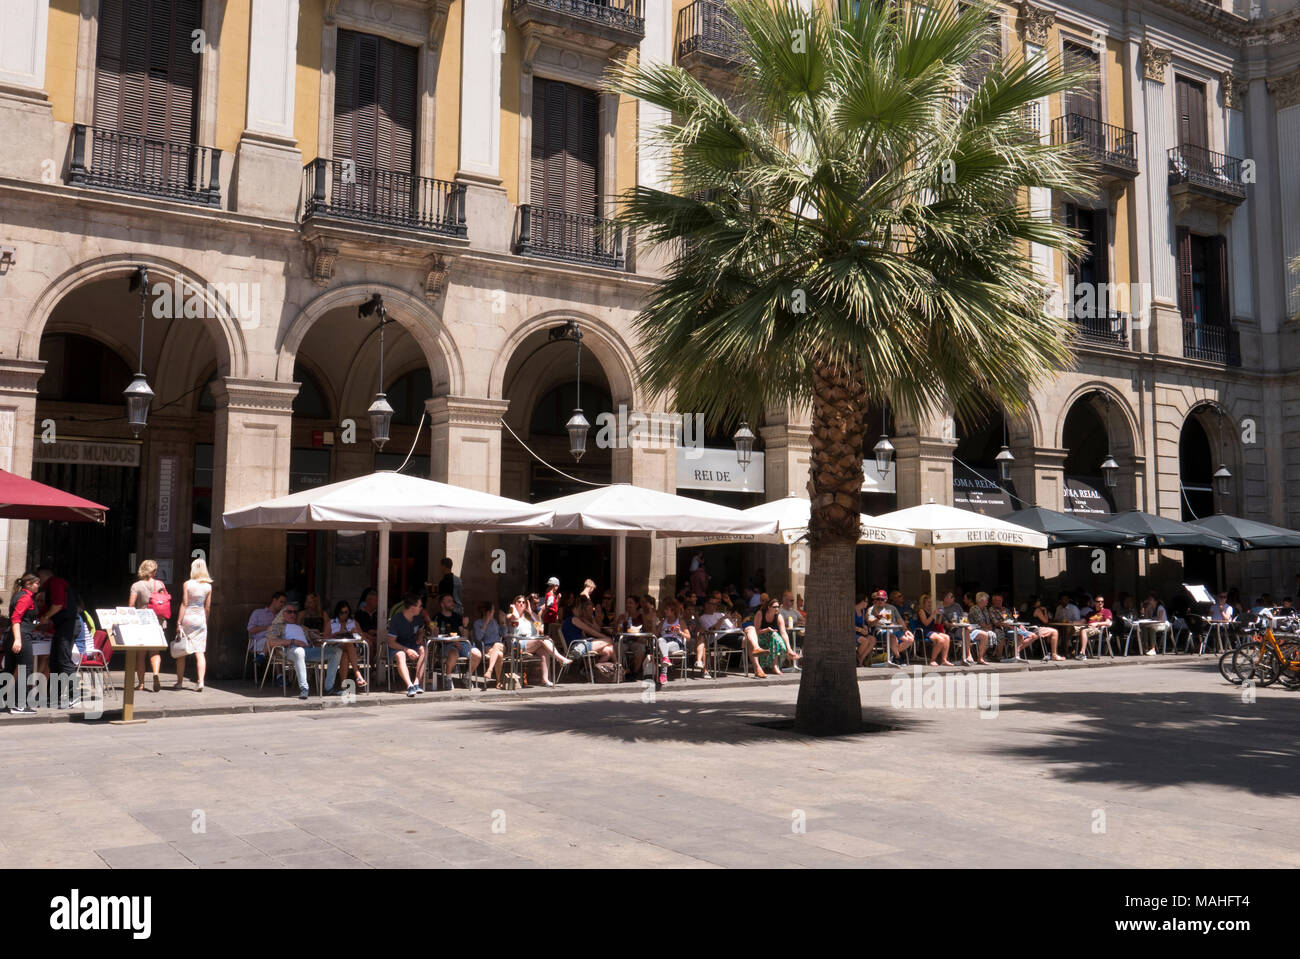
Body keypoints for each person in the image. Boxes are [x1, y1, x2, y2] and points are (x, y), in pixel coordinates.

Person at [270, 598, 343, 699]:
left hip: (308, 651)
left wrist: (334, 637)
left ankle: (329, 688)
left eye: (295, 612)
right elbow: (272, 642)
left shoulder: (301, 627)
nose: (293, 614)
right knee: (299, 651)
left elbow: (319, 638)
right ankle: (304, 688)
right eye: (289, 612)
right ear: (283, 613)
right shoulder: (277, 626)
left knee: (336, 652)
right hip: (289, 651)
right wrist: (293, 641)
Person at [503, 594, 570, 687]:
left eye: (523, 602)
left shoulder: (530, 617)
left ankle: (545, 680)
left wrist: (530, 612)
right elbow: (515, 619)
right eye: (519, 602)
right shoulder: (510, 615)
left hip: (532, 642)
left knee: (544, 652)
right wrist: (513, 608)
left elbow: (540, 628)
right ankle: (560, 658)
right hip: (518, 644)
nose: (522, 604)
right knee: (541, 640)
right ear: (515, 604)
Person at [36, 566, 80, 702]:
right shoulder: (49, 588)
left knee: (63, 660)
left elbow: (58, 604)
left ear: (42, 576)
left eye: (38, 579)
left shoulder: (55, 582)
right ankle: (53, 695)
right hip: (62, 626)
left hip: (68, 625)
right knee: (55, 661)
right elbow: (46, 608)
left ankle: (74, 694)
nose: (37, 583)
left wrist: (46, 617)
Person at [172, 558, 214, 691]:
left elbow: (184, 603)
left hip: (188, 617)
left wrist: (179, 622)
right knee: (200, 651)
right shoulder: (208, 586)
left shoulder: (187, 584)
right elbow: (207, 607)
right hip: (200, 618)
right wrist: (205, 620)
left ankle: (179, 682)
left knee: (182, 651)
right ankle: (200, 681)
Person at [128, 559, 167, 692]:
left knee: (141, 654)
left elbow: (131, 605)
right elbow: (165, 601)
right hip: (157, 621)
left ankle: (141, 684)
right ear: (154, 571)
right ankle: (155, 674)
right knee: (155, 652)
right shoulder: (160, 584)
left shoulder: (136, 586)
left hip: (142, 621)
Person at [4, 574, 40, 713]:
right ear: (29, 584)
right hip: (21, 636)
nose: (39, 586)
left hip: (12, 635)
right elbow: (16, 618)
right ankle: (19, 704)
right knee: (25, 669)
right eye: (37, 583)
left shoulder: (18, 595)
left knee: (9, 669)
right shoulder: (25, 597)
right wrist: (18, 639)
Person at [386, 591, 428, 697]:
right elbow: (391, 642)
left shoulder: (418, 618)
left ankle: (417, 683)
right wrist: (406, 650)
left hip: (411, 644)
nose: (421, 608)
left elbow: (421, 630)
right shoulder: (396, 619)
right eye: (420, 606)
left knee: (423, 649)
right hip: (397, 646)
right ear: (412, 607)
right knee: (401, 655)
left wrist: (420, 637)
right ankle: (409, 685)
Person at [432, 592, 476, 686]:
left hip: (461, 644)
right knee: (453, 653)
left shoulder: (457, 616)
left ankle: (467, 677)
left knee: (477, 654)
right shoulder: (437, 617)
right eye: (449, 601)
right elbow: (435, 636)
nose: (452, 603)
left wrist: (465, 625)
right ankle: (448, 677)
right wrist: (453, 641)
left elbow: (465, 635)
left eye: (452, 601)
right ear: (442, 604)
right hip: (445, 645)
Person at [656, 599, 704, 681]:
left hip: (675, 643)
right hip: (664, 641)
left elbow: (688, 637)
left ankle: (663, 674)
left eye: (667, 609)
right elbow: (656, 634)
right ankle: (665, 662)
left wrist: (680, 632)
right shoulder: (663, 621)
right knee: (660, 640)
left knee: (663, 647)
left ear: (673, 611)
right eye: (665, 609)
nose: (665, 611)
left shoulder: (680, 622)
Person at [865, 589, 915, 666]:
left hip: (895, 629)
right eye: (878, 599)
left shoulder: (892, 608)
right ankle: (898, 658)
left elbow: (900, 620)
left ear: (886, 599)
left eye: (882, 599)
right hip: (881, 631)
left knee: (910, 639)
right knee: (892, 637)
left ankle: (891, 656)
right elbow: (870, 624)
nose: (880, 601)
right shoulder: (871, 609)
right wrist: (878, 618)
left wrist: (905, 630)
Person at [326, 599, 367, 689]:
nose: (344, 615)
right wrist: (335, 634)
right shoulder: (331, 623)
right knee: (347, 645)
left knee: (345, 654)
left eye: (346, 612)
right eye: (342, 612)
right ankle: (357, 673)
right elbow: (324, 638)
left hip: (351, 649)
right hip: (335, 647)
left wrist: (356, 632)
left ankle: (343, 686)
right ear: (337, 612)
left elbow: (363, 637)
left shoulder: (353, 622)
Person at [746, 597, 792, 675]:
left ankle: (775, 665)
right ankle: (774, 666)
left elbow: (783, 632)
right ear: (769, 607)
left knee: (775, 637)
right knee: (774, 636)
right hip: (759, 637)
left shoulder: (778, 616)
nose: (777, 609)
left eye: (778, 607)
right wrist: (767, 630)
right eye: (774, 607)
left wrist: (789, 648)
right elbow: (756, 631)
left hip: (772, 637)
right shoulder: (760, 613)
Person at [562, 598, 615, 666]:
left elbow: (590, 631)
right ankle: (619, 667)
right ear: (573, 610)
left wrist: (591, 620)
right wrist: (605, 637)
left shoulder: (569, 620)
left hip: (581, 643)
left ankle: (591, 669)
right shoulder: (574, 619)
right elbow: (590, 631)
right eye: (578, 609)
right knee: (609, 640)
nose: (580, 611)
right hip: (578, 646)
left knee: (609, 650)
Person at [248, 591, 287, 666]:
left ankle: (284, 674)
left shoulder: (282, 616)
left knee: (284, 643)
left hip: (277, 639)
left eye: (284, 603)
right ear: (274, 600)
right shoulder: (258, 612)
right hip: (259, 641)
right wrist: (268, 628)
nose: (283, 605)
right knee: (275, 644)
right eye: (281, 602)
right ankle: (280, 675)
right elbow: (250, 629)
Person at [473, 601, 506, 684]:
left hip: (500, 646)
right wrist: (486, 622)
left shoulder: (494, 622)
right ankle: (498, 681)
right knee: (499, 655)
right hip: (487, 647)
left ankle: (490, 669)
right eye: (493, 610)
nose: (494, 612)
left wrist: (503, 623)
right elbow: (479, 637)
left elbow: (504, 634)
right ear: (488, 612)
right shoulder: (477, 623)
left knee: (497, 644)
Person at [916, 593, 952, 666]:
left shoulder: (929, 612)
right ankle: (932, 660)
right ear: (923, 603)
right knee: (940, 640)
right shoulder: (921, 611)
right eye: (928, 602)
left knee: (947, 637)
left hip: (930, 631)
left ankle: (944, 660)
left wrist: (940, 615)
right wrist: (933, 615)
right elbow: (926, 623)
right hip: (923, 632)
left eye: (931, 602)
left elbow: (936, 623)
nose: (930, 604)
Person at [1077, 594, 1113, 660]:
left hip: (1099, 630)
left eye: (1102, 601)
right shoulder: (1091, 613)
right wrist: (1072, 622)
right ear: (1094, 602)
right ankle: (1069, 651)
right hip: (1088, 628)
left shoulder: (1106, 611)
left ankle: (1083, 654)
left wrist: (1097, 624)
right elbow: (1082, 621)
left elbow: (1108, 623)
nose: (1100, 603)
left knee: (1083, 630)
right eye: (1098, 601)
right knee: (1071, 629)